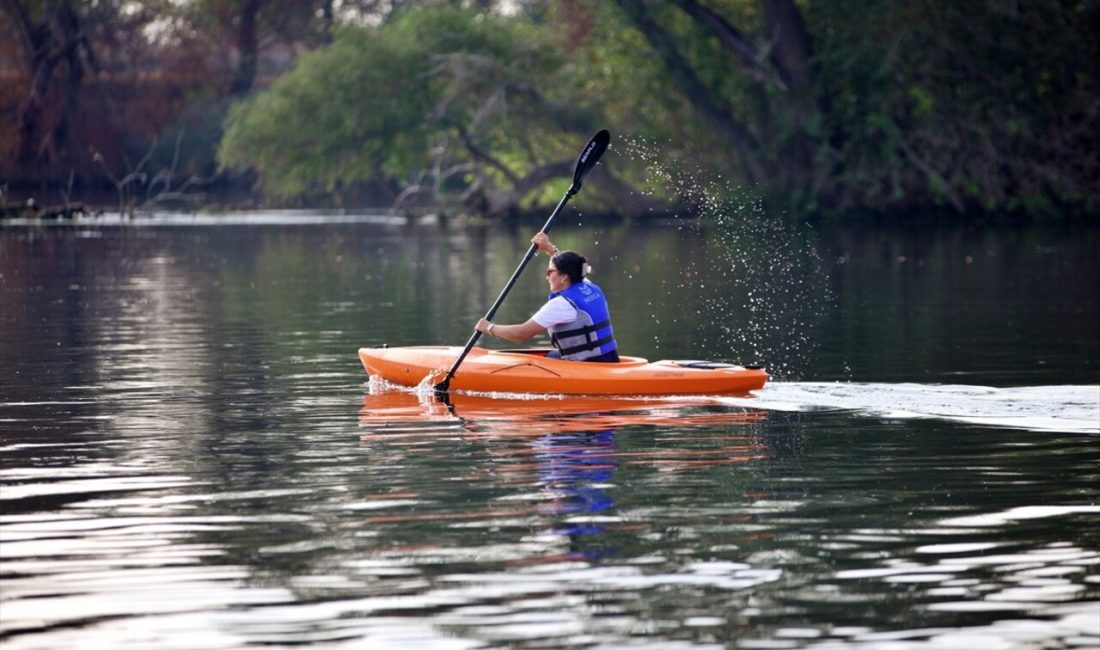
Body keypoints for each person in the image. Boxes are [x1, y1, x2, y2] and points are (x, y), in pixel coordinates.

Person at [475, 232, 620, 362]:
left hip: (588, 366)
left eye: (549, 272)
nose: (547, 277)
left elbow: (522, 333)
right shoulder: (590, 286)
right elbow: (570, 266)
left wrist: (489, 327)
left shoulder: (561, 304)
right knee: (550, 355)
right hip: (610, 358)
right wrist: (549, 248)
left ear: (564, 277)